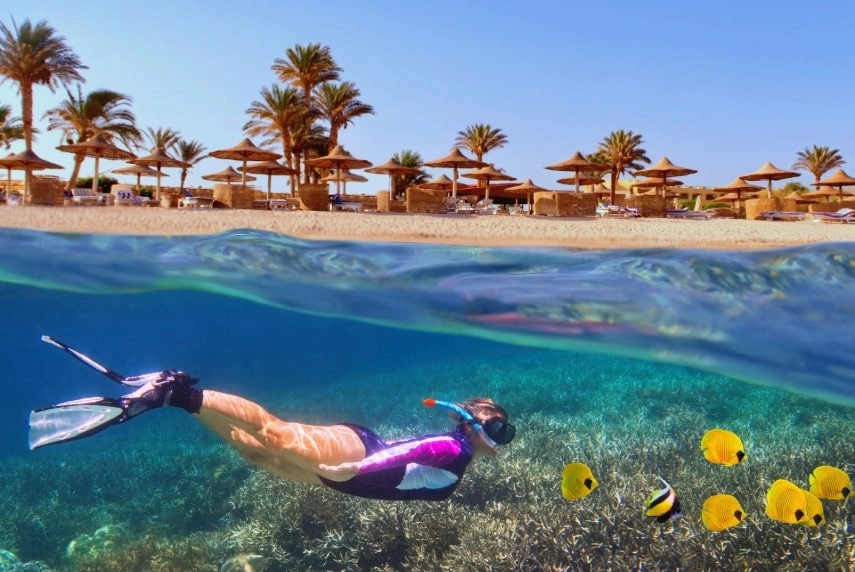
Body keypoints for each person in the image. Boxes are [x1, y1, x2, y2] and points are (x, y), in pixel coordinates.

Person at [28, 336, 515, 501]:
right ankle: (182, 386)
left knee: (259, 453)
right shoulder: (455, 449)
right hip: (357, 455)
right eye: (498, 429)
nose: (502, 439)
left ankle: (173, 402)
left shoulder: (462, 456)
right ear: (470, 424)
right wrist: (357, 469)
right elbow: (409, 453)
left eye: (504, 432)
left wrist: (346, 479)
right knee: (276, 434)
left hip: (339, 480)